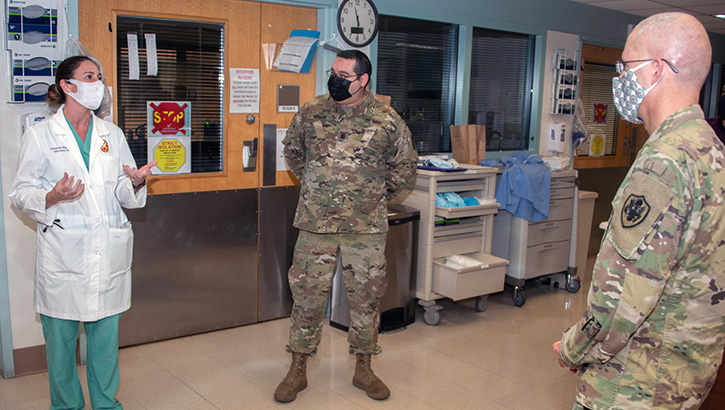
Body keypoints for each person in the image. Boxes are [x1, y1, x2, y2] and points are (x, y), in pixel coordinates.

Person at [553, 12, 725, 410]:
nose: (619, 80)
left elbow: (622, 297)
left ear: (655, 71)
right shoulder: (710, 149)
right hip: (684, 375)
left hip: (636, 382)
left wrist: (574, 347)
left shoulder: (663, 162)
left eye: (625, 68)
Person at [9, 55, 156, 410]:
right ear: (67, 86)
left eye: (100, 76)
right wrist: (52, 196)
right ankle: (67, 407)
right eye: (90, 76)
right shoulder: (42, 134)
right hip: (63, 253)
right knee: (61, 347)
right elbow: (20, 193)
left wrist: (134, 182)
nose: (99, 83)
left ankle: (107, 405)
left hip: (107, 253)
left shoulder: (112, 133)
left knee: (104, 345)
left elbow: (121, 192)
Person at [274, 49, 418, 403]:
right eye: (333, 73)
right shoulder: (312, 111)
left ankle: (364, 368)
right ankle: (297, 368)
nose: (335, 80)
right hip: (315, 222)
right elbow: (293, 152)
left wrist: (371, 197)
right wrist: (318, 185)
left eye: (344, 75)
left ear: (363, 80)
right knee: (306, 297)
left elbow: (405, 167)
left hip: (365, 227)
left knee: (367, 299)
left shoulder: (387, 120)